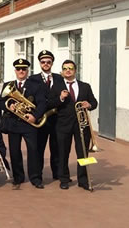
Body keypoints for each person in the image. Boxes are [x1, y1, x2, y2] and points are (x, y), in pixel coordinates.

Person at [48, 60, 97, 191]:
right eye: (65, 68)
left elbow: (94, 102)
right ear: (62, 71)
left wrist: (89, 105)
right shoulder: (57, 87)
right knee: (63, 152)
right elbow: (50, 103)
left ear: (75, 70)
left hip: (81, 125)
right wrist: (61, 98)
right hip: (63, 125)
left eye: (70, 68)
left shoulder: (85, 86)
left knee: (82, 153)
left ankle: (83, 180)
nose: (68, 70)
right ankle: (64, 179)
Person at [0, 58, 46, 189]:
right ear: (15, 70)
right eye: (18, 69)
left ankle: (35, 178)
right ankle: (18, 177)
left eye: (23, 69)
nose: (21, 71)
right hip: (13, 123)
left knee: (33, 150)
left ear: (27, 70)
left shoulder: (36, 85)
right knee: (14, 151)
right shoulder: (8, 84)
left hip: (29, 124)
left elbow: (42, 103)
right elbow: (1, 101)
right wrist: (10, 107)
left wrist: (35, 116)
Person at [29, 50, 63, 180]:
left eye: (48, 62)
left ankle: (57, 174)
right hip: (41, 119)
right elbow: (31, 98)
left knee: (56, 148)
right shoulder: (33, 79)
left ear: (52, 63)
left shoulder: (59, 78)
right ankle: (37, 176)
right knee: (39, 149)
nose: (46, 64)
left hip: (56, 119)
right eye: (43, 62)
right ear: (39, 63)